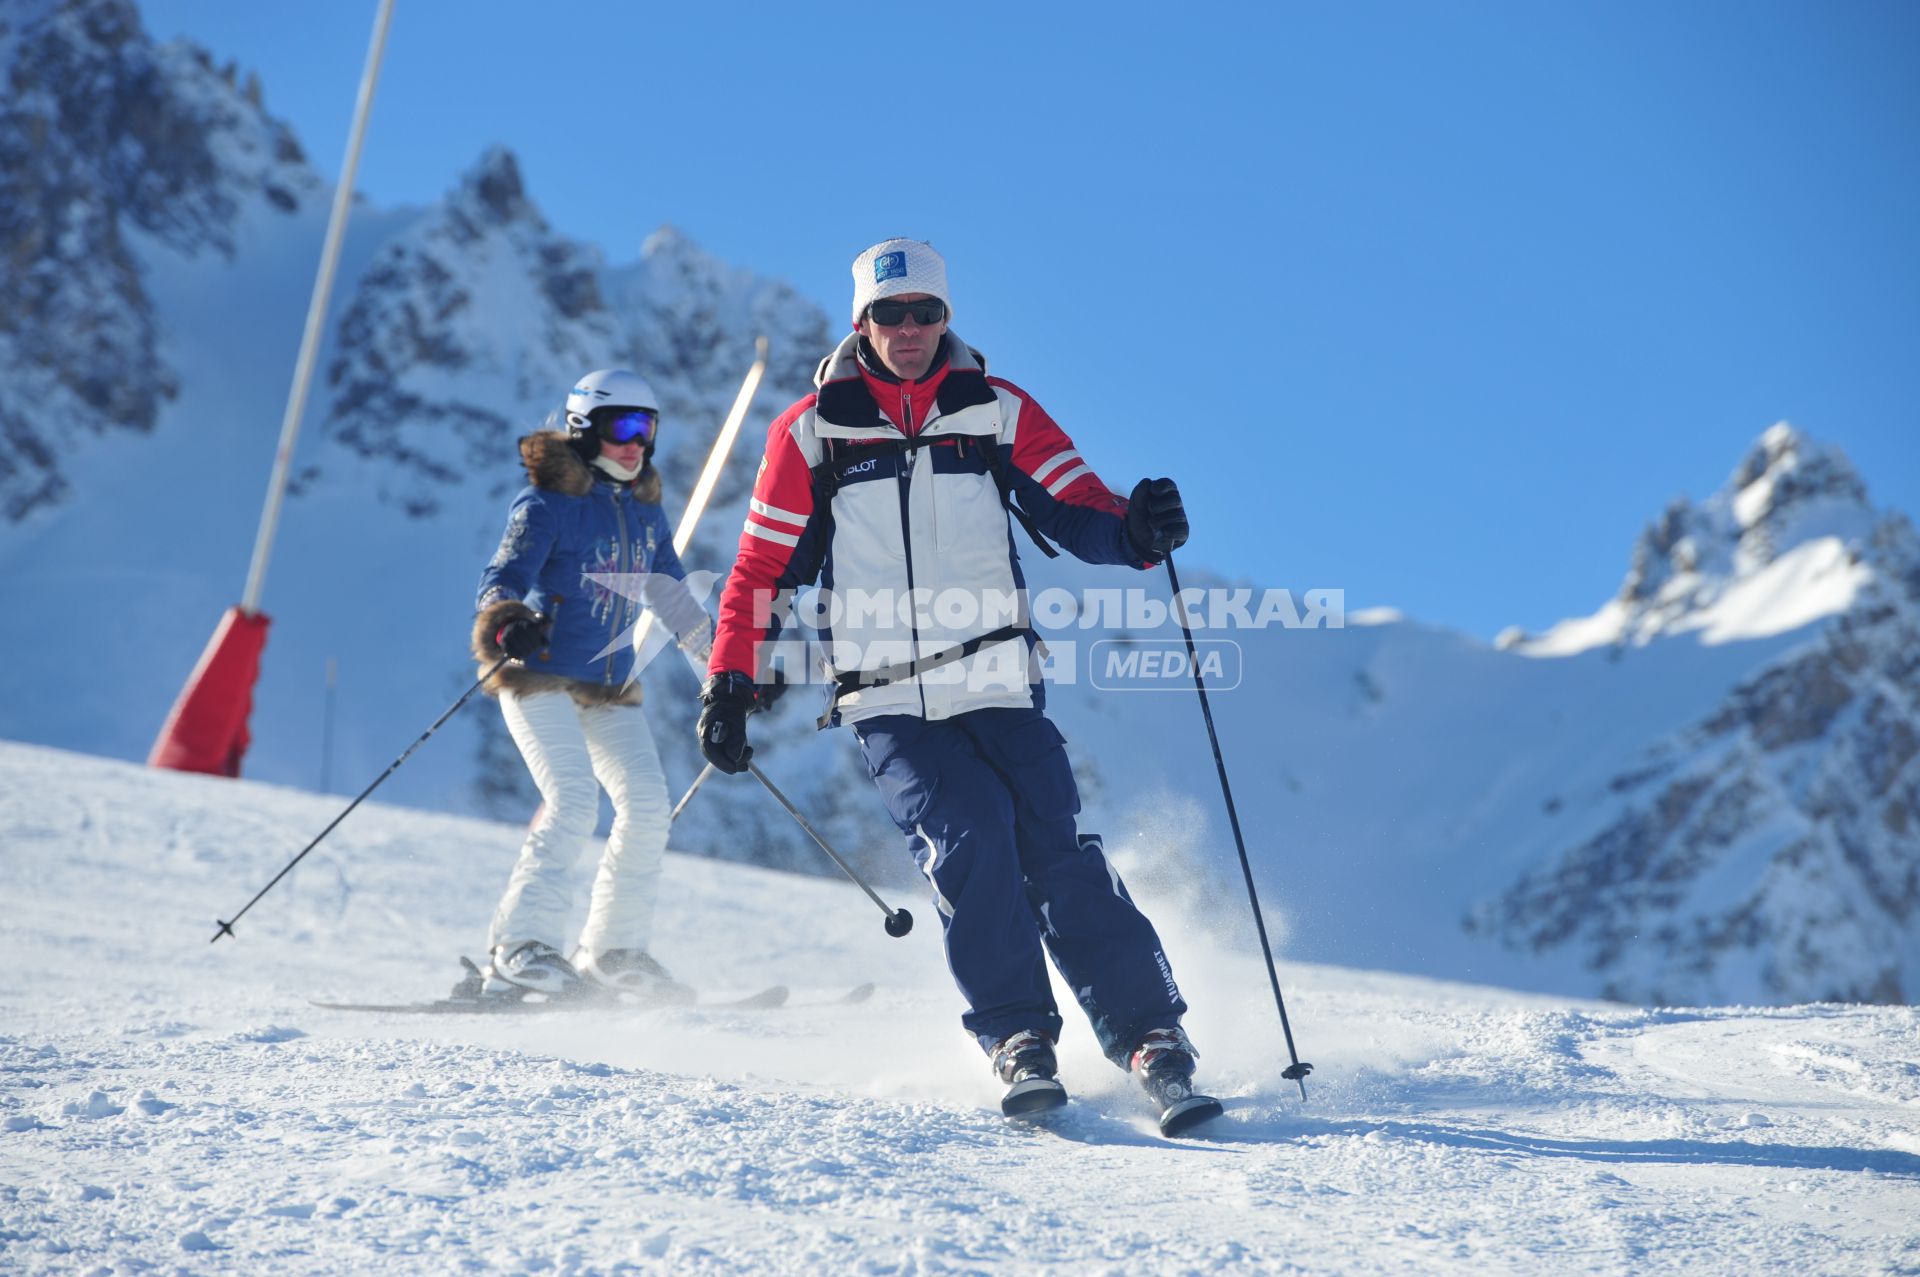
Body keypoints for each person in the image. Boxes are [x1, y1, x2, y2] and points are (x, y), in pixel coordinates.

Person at [695, 239, 1218, 1133]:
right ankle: (1018, 1036)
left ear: (947, 317)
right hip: (888, 697)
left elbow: (1074, 504)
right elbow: (761, 565)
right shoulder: (812, 431)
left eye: (924, 313)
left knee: (1054, 851)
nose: (908, 331)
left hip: (999, 678)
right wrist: (729, 679)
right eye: (888, 315)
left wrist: (1136, 528)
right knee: (970, 836)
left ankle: (1151, 1035)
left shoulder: (996, 412)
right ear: (860, 323)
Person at [468, 368, 713, 1002]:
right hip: (538, 677)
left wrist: (725, 671)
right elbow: (501, 579)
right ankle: (519, 948)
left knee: (649, 807)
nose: (636, 443)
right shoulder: (547, 504)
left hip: (607, 688)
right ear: (583, 431)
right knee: (574, 802)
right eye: (620, 427)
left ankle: (612, 951)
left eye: (647, 428)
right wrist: (508, 625)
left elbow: (677, 603)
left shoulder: (645, 512)